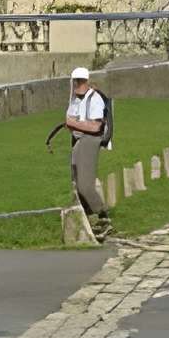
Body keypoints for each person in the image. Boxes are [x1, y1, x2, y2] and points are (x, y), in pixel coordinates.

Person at [65, 65, 112, 241]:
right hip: (78, 140)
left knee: (85, 184)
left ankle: (103, 217)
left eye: (79, 82)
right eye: (75, 82)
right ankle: (90, 219)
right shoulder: (76, 100)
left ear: (85, 82)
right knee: (75, 182)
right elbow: (71, 119)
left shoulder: (95, 99)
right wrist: (73, 124)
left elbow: (95, 126)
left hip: (90, 140)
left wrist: (74, 124)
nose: (77, 85)